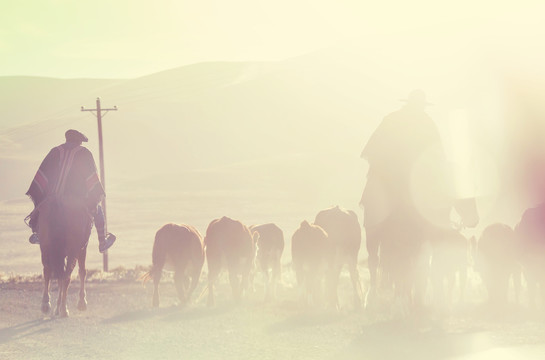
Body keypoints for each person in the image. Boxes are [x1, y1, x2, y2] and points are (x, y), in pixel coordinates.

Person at [25, 129, 116, 253]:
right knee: (98, 209)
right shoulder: (84, 153)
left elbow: (42, 174)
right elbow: (92, 179)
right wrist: (92, 195)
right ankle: (102, 242)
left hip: (53, 197)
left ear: (67, 139)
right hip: (77, 199)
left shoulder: (55, 151)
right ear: (79, 141)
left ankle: (38, 233)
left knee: (39, 210)